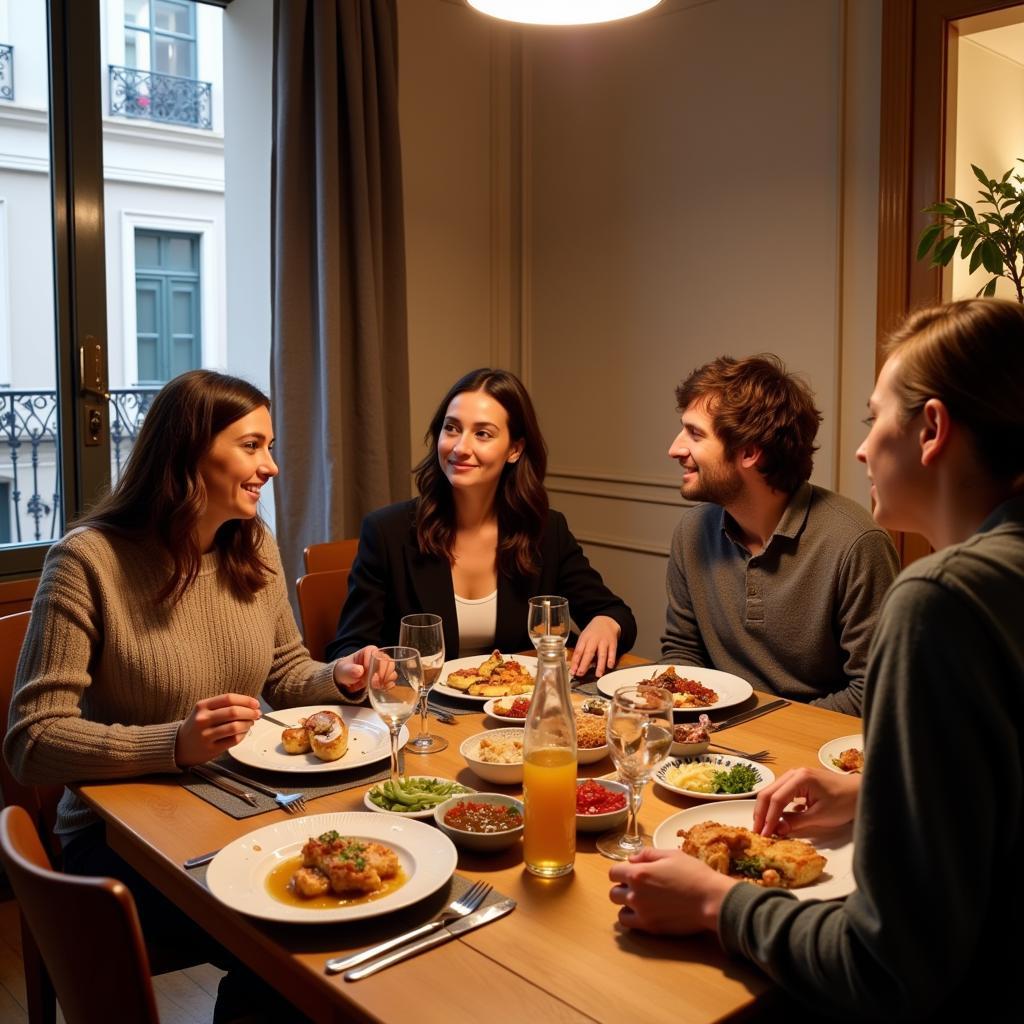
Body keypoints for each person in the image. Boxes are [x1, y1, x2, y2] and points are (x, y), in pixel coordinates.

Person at [609, 299, 1024, 1018]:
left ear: (931, 430)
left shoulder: (940, 598)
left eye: (873, 419)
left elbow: (887, 964)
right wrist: (873, 797)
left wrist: (719, 902)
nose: (861, 449)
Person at [4, 370, 376, 1022]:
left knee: (348, 902)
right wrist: (173, 743)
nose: (274, 465)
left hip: (235, 810)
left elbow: (286, 671)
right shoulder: (88, 562)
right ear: (188, 451)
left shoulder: (250, 542)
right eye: (253, 445)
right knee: (290, 939)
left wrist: (339, 676)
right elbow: (31, 742)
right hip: (114, 845)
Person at [327, 368, 637, 677]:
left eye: (483, 434)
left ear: (514, 449)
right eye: (451, 429)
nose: (461, 447)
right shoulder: (387, 532)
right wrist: (362, 663)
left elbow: (615, 613)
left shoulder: (545, 531)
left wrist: (605, 623)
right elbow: (348, 648)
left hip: (515, 712)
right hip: (423, 713)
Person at [661, 354, 899, 714]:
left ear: (750, 452)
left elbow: (873, 690)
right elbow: (682, 650)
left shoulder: (855, 543)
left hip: (816, 751)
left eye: (694, 433)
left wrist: (759, 727)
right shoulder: (692, 530)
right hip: (716, 741)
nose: (675, 448)